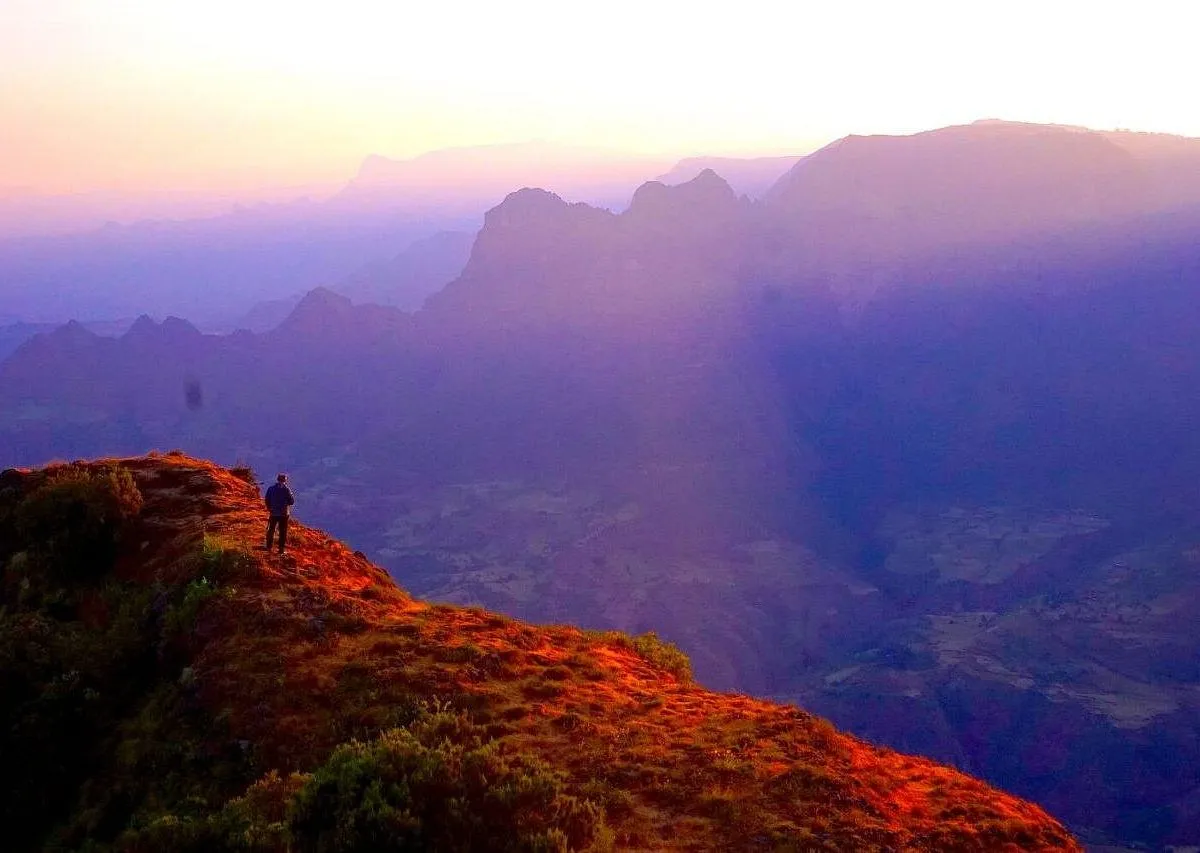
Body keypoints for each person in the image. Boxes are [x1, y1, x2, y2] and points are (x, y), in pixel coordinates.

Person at [264, 473, 295, 554]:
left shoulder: (271, 489)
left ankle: (269, 547)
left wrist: (270, 508)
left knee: (271, 530)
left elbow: (267, 499)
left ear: (277, 479)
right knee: (282, 532)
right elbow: (291, 501)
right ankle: (281, 550)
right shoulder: (286, 490)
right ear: (285, 480)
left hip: (273, 513)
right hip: (284, 514)